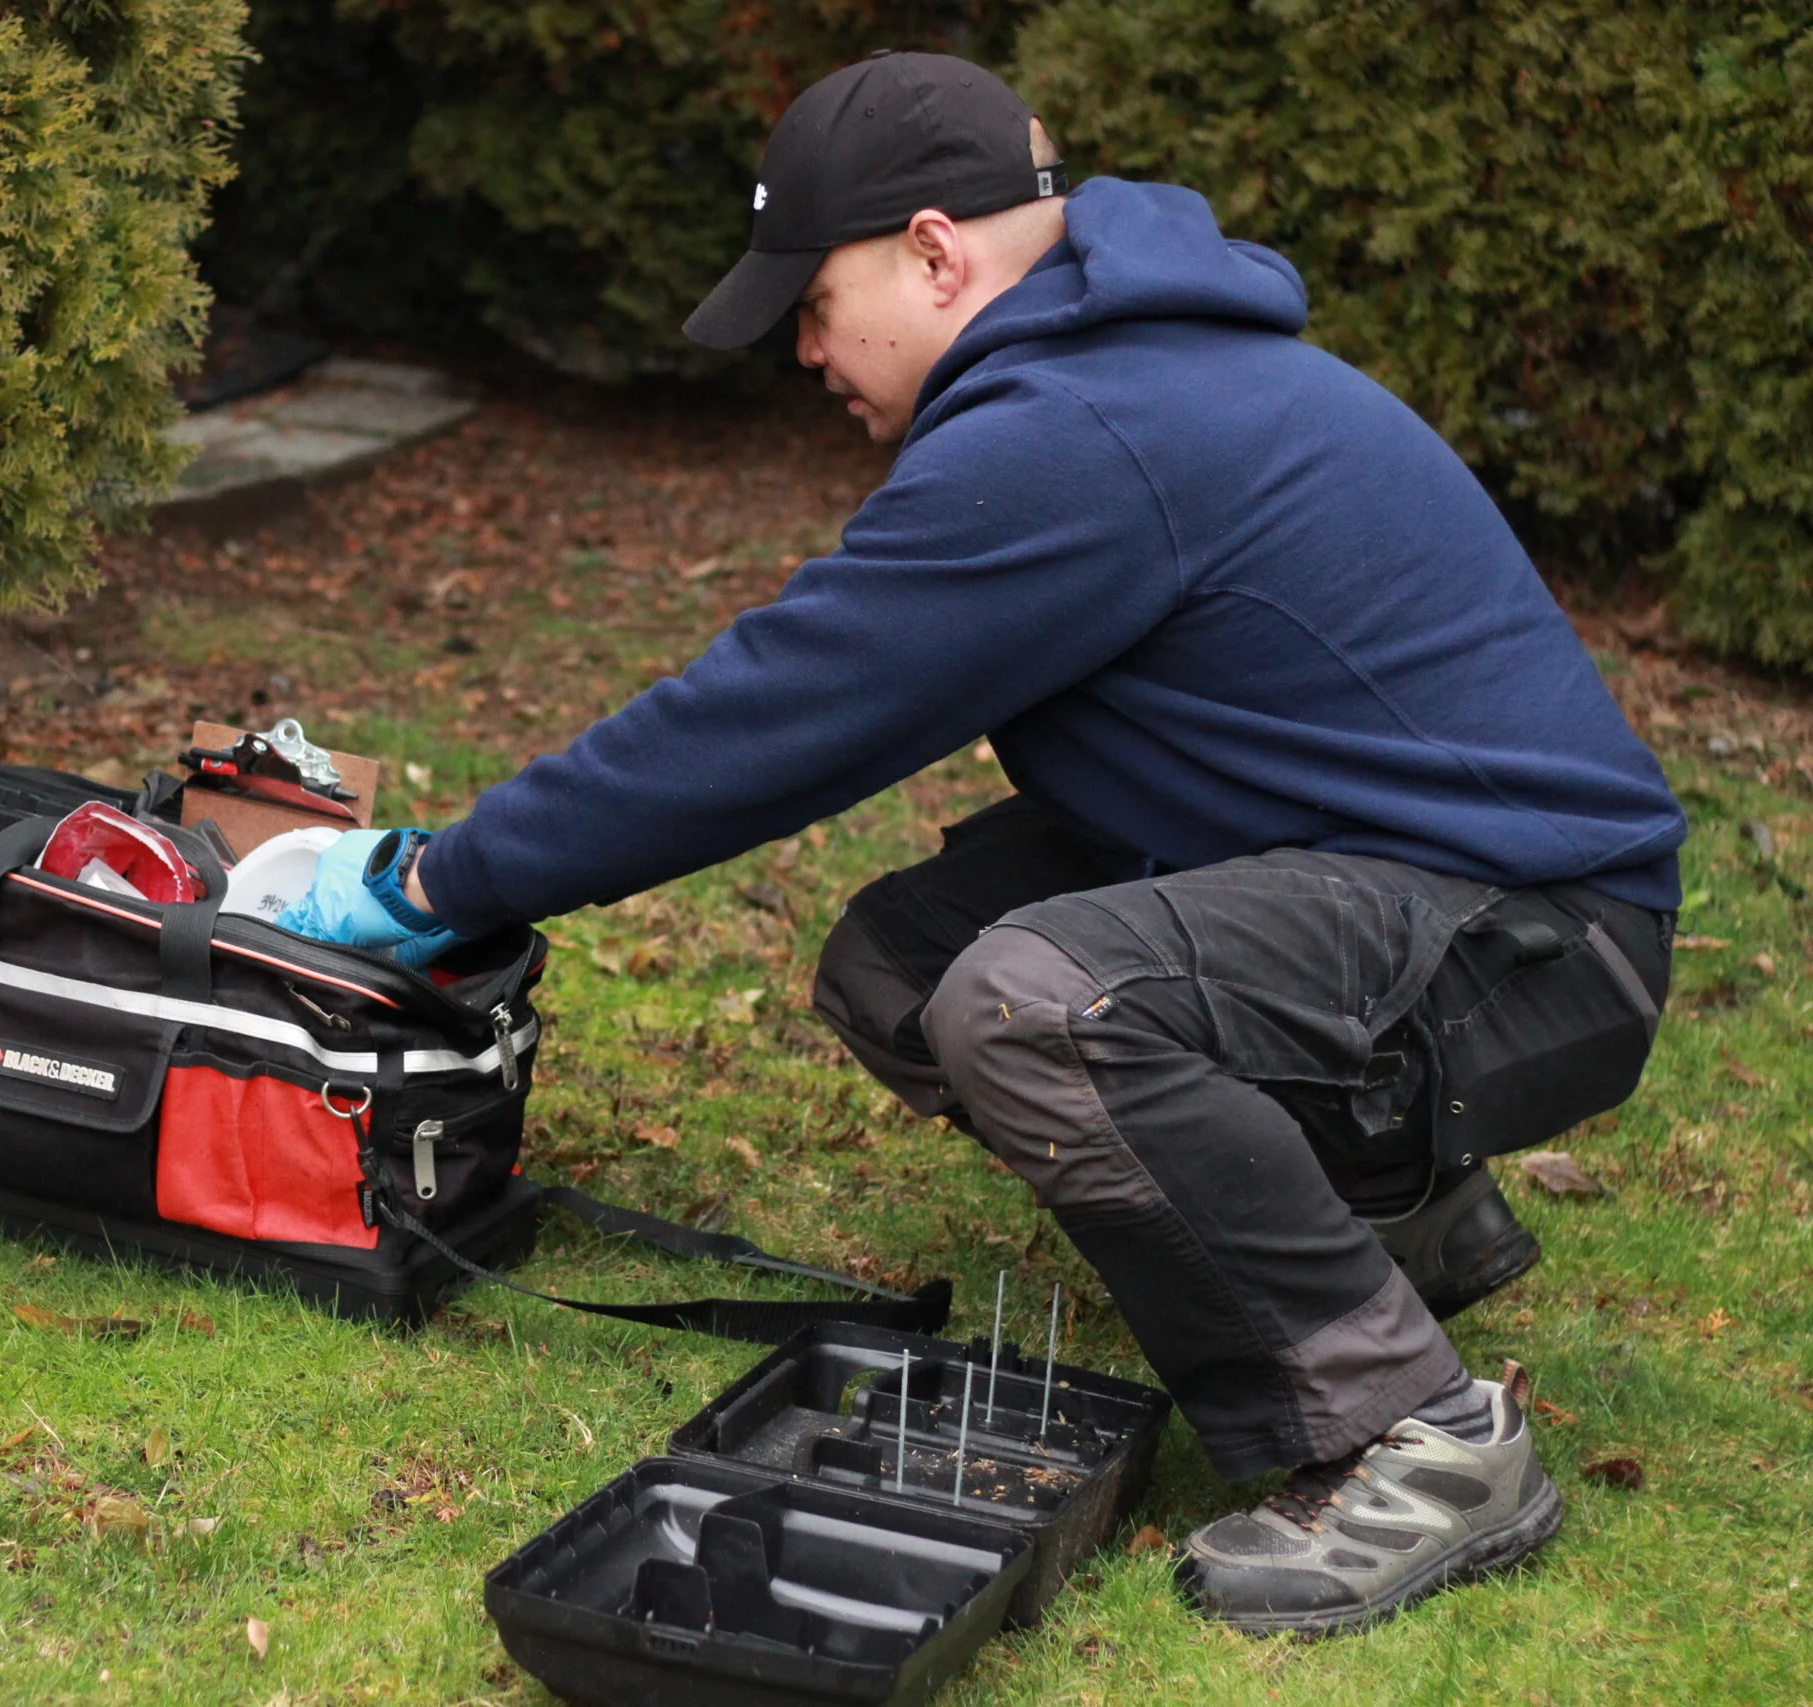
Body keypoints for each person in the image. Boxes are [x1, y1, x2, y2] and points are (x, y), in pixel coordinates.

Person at [273, 51, 1684, 1636]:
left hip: (1532, 936)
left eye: (813, 301)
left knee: (1033, 1002)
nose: (804, 349)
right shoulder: (1110, 367)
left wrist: (427, 882)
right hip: (1405, 885)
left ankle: (1416, 1438)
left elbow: (772, 718)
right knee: (905, 961)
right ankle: (1380, 1221)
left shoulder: (1077, 428)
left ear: (937, 252)